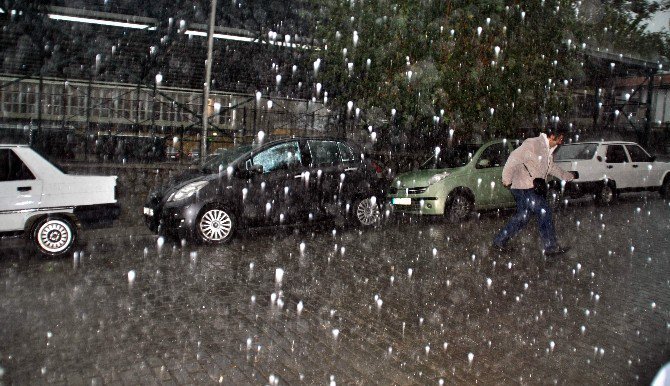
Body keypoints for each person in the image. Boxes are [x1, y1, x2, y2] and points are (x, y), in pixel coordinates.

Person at [492, 127, 575, 256]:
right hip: (524, 187)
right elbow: (514, 158)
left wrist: (567, 176)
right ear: (552, 136)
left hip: (528, 188)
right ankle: (550, 247)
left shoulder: (548, 151)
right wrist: (506, 179)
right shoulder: (533, 144)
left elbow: (551, 167)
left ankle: (499, 241)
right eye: (560, 139)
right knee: (544, 211)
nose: (561, 142)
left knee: (523, 217)